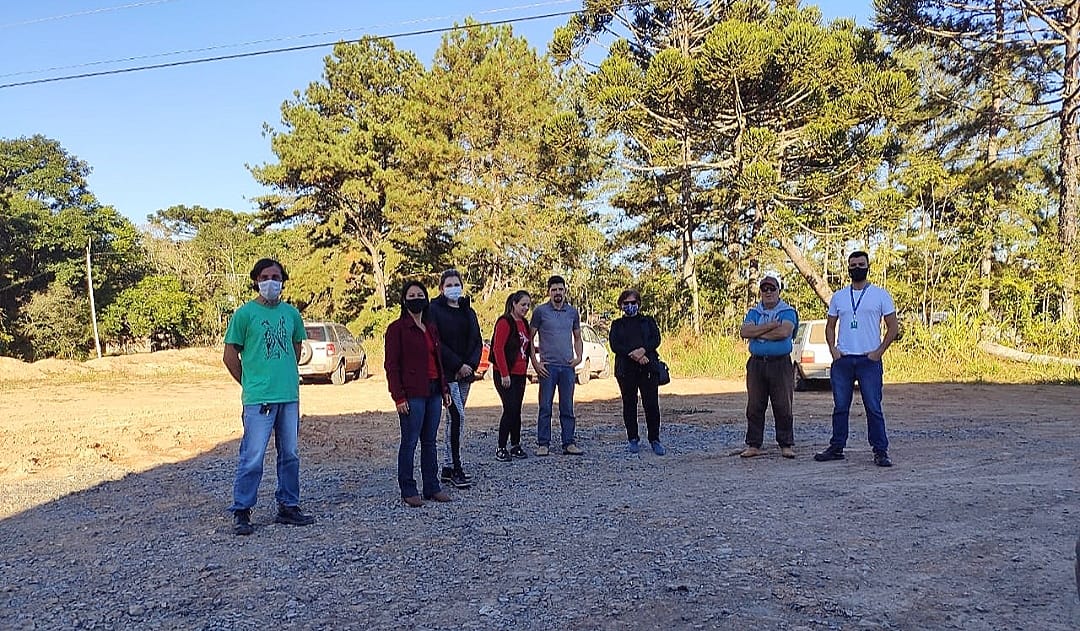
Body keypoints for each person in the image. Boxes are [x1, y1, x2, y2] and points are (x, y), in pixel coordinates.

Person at [223, 258, 316, 536]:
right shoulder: (244, 314)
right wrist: (250, 383)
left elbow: (297, 348)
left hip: (288, 395)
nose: (271, 282)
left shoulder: (291, 314)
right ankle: (242, 510)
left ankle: (288, 505)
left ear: (283, 281)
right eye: (265, 277)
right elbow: (229, 356)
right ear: (256, 280)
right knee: (252, 456)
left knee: (290, 454)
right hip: (259, 399)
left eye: (276, 277)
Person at [814, 251, 899, 467]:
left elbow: (893, 327)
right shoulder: (839, 297)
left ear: (868, 266)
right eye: (853, 265)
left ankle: (880, 450)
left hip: (869, 361)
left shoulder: (880, 295)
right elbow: (830, 326)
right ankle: (837, 447)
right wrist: (833, 349)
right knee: (840, 407)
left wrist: (879, 351)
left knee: (873, 406)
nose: (857, 268)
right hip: (843, 361)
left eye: (861, 264)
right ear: (848, 268)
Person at [385, 281, 453, 507]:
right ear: (404, 300)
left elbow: (438, 360)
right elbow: (391, 365)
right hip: (412, 393)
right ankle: (408, 489)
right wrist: (399, 397)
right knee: (410, 442)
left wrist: (444, 389)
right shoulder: (396, 329)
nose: (416, 298)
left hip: (434, 390)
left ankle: (432, 487)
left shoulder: (430, 327)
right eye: (411, 295)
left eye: (420, 294)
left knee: (430, 442)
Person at [427, 269, 482, 490]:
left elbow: (477, 340)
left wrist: (470, 365)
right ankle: (454, 466)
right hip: (448, 374)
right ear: (441, 288)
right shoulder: (434, 310)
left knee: (456, 419)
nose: (453, 288)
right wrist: (457, 365)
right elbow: (436, 342)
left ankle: (449, 467)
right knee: (456, 416)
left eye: (456, 284)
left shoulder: (468, 311)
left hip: (466, 375)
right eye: (448, 285)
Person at [738, 272, 798, 459]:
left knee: (783, 405)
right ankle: (754, 444)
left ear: (779, 291)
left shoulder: (788, 311)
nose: (768, 292)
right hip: (757, 363)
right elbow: (744, 331)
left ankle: (786, 444)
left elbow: (784, 332)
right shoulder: (754, 312)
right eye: (765, 288)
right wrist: (770, 325)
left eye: (772, 288)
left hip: (780, 363)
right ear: (761, 292)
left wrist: (757, 333)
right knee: (754, 405)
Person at [530, 275, 584, 456]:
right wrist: (535, 363)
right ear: (549, 292)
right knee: (545, 406)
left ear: (565, 290)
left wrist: (579, 357)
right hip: (548, 368)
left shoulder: (572, 312)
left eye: (560, 289)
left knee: (567, 406)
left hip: (567, 367)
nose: (557, 292)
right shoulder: (540, 312)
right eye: (554, 289)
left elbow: (577, 337)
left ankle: (568, 443)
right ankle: (543, 444)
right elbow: (529, 338)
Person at [608, 289, 666, 455]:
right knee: (629, 404)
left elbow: (655, 339)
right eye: (626, 303)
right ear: (621, 305)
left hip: (648, 368)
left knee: (652, 405)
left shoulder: (648, 321)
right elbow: (615, 345)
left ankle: (654, 439)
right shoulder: (617, 325)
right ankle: (633, 438)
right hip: (626, 370)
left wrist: (643, 351)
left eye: (633, 303)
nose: (630, 306)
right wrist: (634, 355)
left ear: (639, 304)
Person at [491, 290, 534, 462]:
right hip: (505, 373)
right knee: (509, 409)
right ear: (514, 304)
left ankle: (515, 444)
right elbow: (498, 348)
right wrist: (504, 373)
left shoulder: (524, 323)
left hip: (520, 373)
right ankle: (501, 447)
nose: (525, 308)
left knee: (516, 409)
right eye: (523, 304)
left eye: (528, 306)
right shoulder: (505, 322)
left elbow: (526, 346)